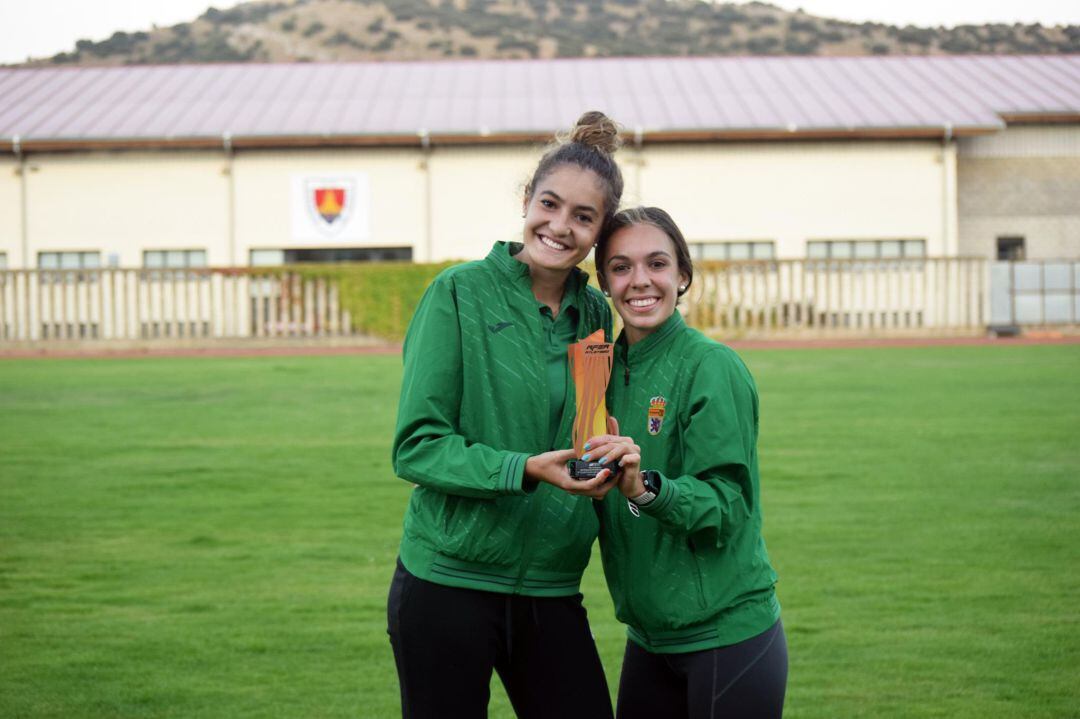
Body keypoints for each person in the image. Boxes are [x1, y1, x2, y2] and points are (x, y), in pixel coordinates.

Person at [388, 111, 625, 719]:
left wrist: (601, 455)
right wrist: (523, 469)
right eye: (549, 204)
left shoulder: (595, 312)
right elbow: (417, 445)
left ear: (600, 232)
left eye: (583, 216)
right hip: (447, 581)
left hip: (550, 586)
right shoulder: (458, 294)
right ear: (527, 200)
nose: (560, 226)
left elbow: (587, 428)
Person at [585, 207, 787, 719]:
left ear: (683, 276)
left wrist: (644, 487)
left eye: (657, 263)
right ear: (605, 283)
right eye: (621, 267)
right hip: (648, 639)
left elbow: (726, 505)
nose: (640, 281)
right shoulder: (598, 370)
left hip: (725, 634)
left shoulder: (710, 365)